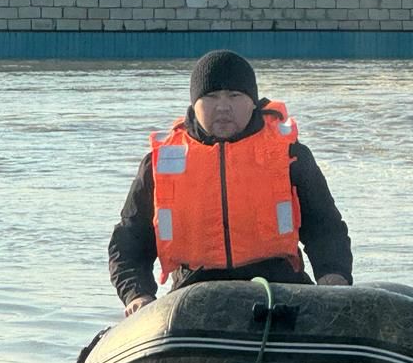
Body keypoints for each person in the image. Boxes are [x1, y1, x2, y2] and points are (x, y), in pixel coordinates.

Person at [109, 50, 353, 314]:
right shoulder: (159, 164)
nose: (223, 106)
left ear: (252, 101)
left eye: (234, 96)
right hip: (192, 294)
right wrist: (137, 293)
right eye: (211, 96)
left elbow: (325, 227)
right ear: (194, 103)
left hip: (279, 288)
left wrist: (333, 275)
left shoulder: (290, 155)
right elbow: (129, 239)